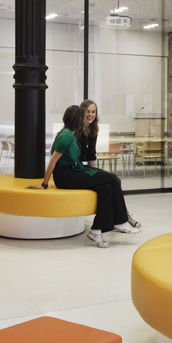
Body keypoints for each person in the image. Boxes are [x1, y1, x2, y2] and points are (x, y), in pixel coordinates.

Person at [30, 105, 140, 248]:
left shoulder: (71, 133)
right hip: (66, 176)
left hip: (73, 171)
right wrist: (44, 184)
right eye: (82, 116)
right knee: (112, 179)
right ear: (77, 119)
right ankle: (120, 221)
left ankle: (96, 229)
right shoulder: (67, 135)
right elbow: (53, 160)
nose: (85, 118)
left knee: (107, 188)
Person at [79, 99, 100, 164]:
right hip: (75, 167)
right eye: (87, 111)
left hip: (84, 166)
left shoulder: (93, 129)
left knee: (108, 174)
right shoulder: (77, 129)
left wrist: (92, 172)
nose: (90, 114)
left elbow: (91, 153)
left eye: (93, 112)